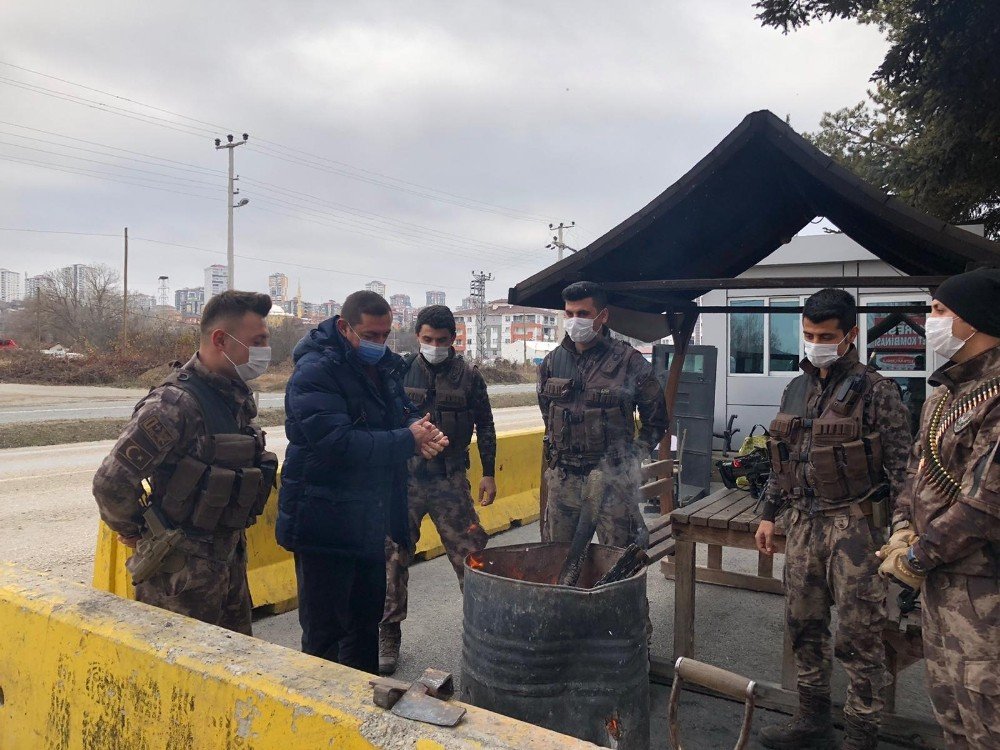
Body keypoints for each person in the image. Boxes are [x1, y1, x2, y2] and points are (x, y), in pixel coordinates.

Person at [755, 288, 911, 750]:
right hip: (802, 523)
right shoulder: (796, 387)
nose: (815, 342)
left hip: (856, 529)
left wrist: (902, 530)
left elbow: (903, 470)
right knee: (803, 626)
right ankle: (811, 721)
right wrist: (767, 515)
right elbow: (782, 457)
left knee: (859, 638)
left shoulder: (879, 392)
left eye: (825, 335)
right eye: (807, 334)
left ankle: (861, 737)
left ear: (851, 335)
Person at [276, 290, 447, 674]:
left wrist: (419, 429)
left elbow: (397, 413)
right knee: (325, 636)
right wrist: (407, 440)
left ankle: (364, 715)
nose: (379, 343)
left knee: (364, 627)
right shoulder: (315, 372)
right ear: (344, 327)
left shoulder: (383, 367)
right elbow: (335, 443)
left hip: (367, 519)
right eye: (370, 335)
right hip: (323, 521)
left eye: (385, 335)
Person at [93, 290, 276, 635]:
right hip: (178, 578)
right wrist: (137, 532)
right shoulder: (174, 404)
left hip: (228, 564)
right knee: (181, 680)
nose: (265, 350)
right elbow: (111, 483)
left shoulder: (234, 396)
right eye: (259, 340)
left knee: (234, 670)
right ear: (221, 339)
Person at [876, 269, 1000, 749]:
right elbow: (914, 474)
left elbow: (985, 506)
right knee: (950, 713)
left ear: (975, 321)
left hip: (983, 593)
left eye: (940, 311)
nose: (932, 321)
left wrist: (915, 557)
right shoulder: (942, 398)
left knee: (987, 722)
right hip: (939, 586)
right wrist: (903, 530)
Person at [379, 304, 497, 675]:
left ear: (454, 339)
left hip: (449, 481)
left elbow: (486, 426)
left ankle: (490, 631)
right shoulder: (398, 371)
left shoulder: (469, 377)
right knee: (393, 557)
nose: (434, 346)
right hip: (406, 480)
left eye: (441, 340)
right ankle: (388, 632)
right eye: (427, 339)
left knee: (473, 557)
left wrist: (489, 473)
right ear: (418, 337)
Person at [537, 280, 667, 547]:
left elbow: (656, 421)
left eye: (583, 314)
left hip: (612, 482)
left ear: (602, 316)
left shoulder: (628, 362)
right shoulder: (552, 363)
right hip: (564, 481)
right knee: (558, 561)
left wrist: (630, 459)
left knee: (620, 564)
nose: (575, 321)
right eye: (569, 314)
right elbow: (547, 415)